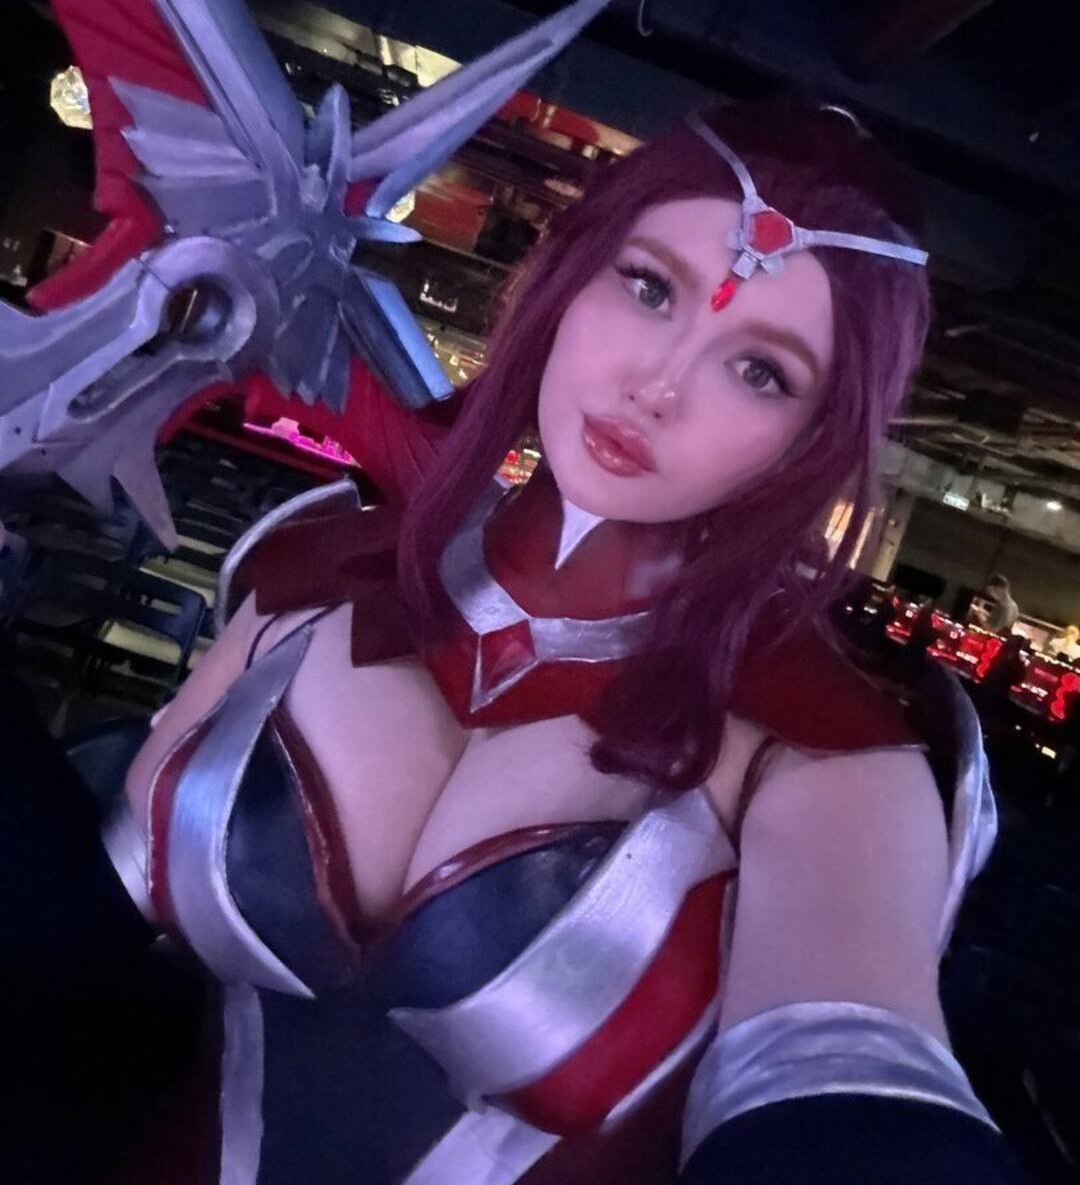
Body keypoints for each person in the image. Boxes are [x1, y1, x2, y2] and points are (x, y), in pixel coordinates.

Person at [0, 96, 1025, 1184]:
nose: (659, 384)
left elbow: (856, 1108)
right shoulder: (317, 571)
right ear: (572, 273)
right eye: (649, 287)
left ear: (810, 438)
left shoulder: (827, 754)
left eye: (760, 370)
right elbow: (72, 926)